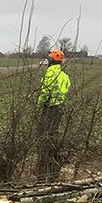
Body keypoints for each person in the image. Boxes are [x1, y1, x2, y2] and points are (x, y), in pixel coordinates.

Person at [36, 48, 71, 180]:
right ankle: (55, 153)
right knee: (54, 132)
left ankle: (46, 157)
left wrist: (39, 104)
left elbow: (45, 92)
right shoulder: (64, 75)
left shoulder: (50, 73)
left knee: (44, 133)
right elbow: (66, 89)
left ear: (51, 60)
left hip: (50, 107)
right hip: (60, 107)